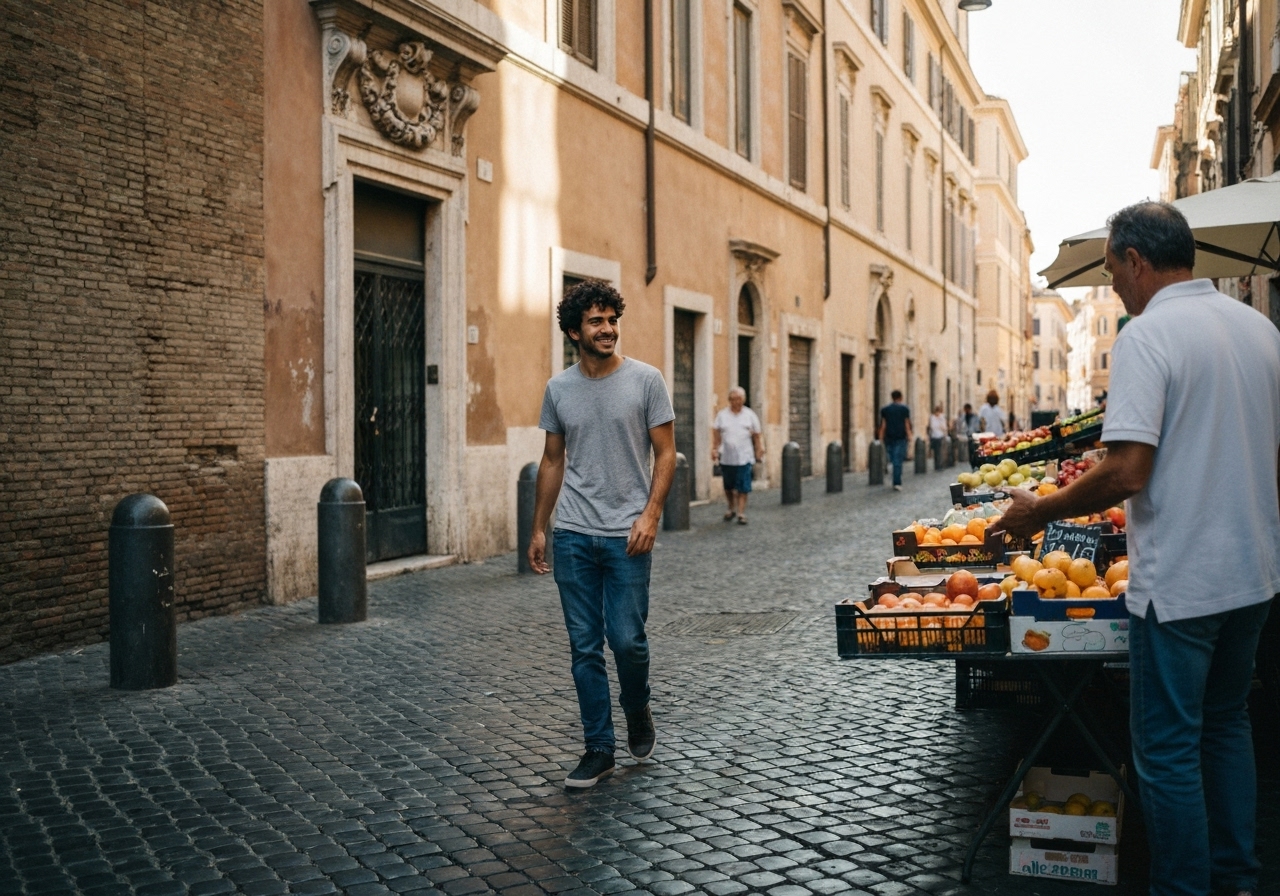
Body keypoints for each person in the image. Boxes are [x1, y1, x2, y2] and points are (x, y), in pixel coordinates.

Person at [999, 201, 1280, 896]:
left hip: (1181, 582)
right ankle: (1237, 879)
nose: (1112, 285)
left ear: (1135, 259)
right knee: (1226, 725)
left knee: (1167, 751)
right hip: (1254, 573)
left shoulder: (1147, 336)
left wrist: (1040, 513)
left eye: (1111, 270)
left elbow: (1126, 470)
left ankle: (1183, 888)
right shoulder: (1261, 329)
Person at [528, 280, 677, 789]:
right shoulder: (559, 389)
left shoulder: (646, 381)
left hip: (627, 535)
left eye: (612, 319)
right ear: (575, 331)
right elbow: (552, 460)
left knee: (627, 641)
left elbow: (666, 454)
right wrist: (539, 528)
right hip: (572, 534)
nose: (608, 329)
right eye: (596, 321)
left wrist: (650, 515)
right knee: (585, 648)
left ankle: (637, 705)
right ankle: (599, 748)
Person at [712, 386, 763, 525]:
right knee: (728, 486)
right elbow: (716, 433)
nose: (736, 401)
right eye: (733, 399)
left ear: (743, 400)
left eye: (739, 399)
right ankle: (731, 507)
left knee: (743, 486)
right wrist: (714, 449)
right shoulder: (722, 415)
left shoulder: (750, 415)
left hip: (744, 457)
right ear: (729, 400)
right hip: (727, 457)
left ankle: (741, 513)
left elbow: (757, 435)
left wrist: (759, 449)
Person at [877, 389, 912, 491]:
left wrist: (880, 437)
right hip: (901, 437)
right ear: (901, 398)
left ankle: (894, 475)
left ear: (892, 398)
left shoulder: (885, 410)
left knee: (893, 459)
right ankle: (897, 482)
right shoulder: (905, 409)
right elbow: (906, 424)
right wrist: (909, 436)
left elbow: (883, 425)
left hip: (889, 437)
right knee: (898, 461)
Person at [927, 403, 947, 468]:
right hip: (934, 436)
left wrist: (940, 424)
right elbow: (931, 426)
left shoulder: (942, 417)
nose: (937, 413)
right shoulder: (932, 417)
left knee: (940, 451)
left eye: (938, 412)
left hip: (940, 436)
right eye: (936, 412)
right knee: (935, 451)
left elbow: (944, 427)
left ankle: (940, 465)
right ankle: (936, 465)